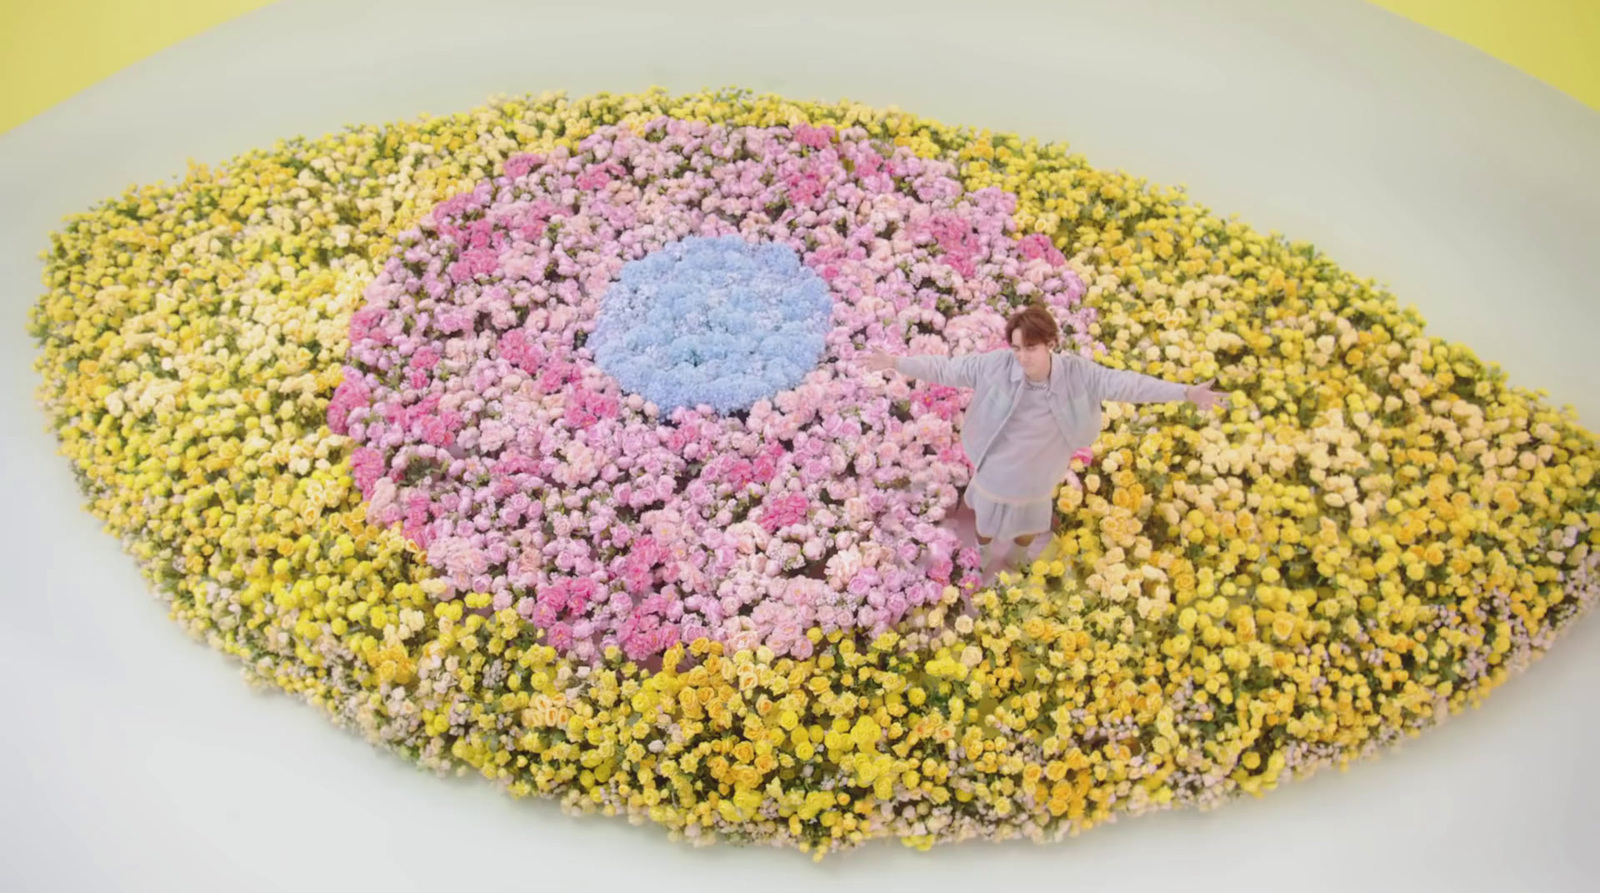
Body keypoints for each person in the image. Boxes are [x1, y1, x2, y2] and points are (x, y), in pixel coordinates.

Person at [863, 304, 1229, 579]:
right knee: (987, 516)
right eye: (1018, 348)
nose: (1022, 357)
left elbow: (1128, 384)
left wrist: (1185, 393)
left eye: (1031, 349)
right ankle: (984, 552)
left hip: (1042, 466)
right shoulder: (996, 365)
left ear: (1051, 344)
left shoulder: (1078, 374)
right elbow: (946, 368)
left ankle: (1020, 557)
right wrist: (896, 361)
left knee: (1032, 519)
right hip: (998, 461)